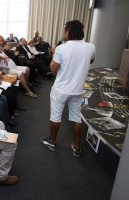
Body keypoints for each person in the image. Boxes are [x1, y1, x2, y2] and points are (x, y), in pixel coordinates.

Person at [40, 20, 96, 158]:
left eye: (63, 29)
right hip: (77, 89)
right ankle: (77, 147)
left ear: (69, 31)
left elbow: (53, 70)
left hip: (61, 89)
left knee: (55, 116)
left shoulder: (61, 48)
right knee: (76, 118)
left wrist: (54, 55)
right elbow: (91, 61)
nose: (62, 32)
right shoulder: (91, 47)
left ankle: (52, 142)